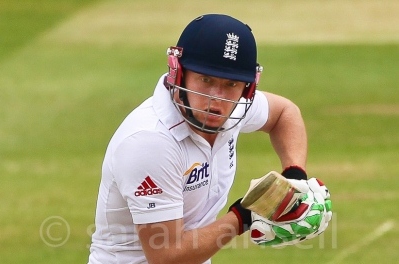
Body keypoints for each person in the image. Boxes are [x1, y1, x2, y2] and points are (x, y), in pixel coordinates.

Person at [88, 14, 332, 264]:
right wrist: (245, 216)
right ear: (178, 73)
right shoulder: (150, 141)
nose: (217, 98)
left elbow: (284, 113)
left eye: (231, 84)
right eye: (206, 80)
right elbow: (166, 257)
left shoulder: (232, 107)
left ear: (247, 88)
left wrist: (295, 176)